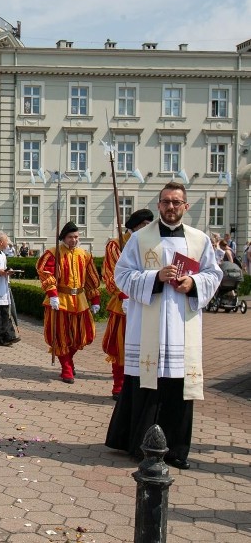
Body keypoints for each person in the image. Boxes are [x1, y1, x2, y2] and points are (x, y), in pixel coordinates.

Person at [106, 182, 222, 469]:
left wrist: (193, 282)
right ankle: (140, 447)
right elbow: (121, 275)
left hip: (183, 325)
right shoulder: (141, 238)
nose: (171, 207)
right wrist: (155, 277)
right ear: (159, 205)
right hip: (149, 326)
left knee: (178, 388)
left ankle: (175, 450)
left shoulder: (199, 240)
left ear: (186, 206)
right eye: (166, 202)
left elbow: (214, 274)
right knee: (146, 385)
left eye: (176, 202)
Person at [36, 222, 101, 383]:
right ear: (64, 237)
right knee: (60, 335)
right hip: (61, 298)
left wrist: (95, 299)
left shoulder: (84, 254)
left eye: (76, 237)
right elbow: (45, 272)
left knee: (84, 334)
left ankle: (69, 360)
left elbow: (92, 278)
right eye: (71, 237)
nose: (74, 240)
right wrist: (52, 294)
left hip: (80, 300)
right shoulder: (53, 253)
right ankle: (66, 367)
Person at [102, 209, 154, 401]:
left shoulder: (151, 243)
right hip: (123, 304)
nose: (149, 228)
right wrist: (124, 295)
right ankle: (119, 385)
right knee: (121, 346)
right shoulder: (116, 245)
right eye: (145, 225)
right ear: (137, 226)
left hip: (147, 301)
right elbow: (111, 273)